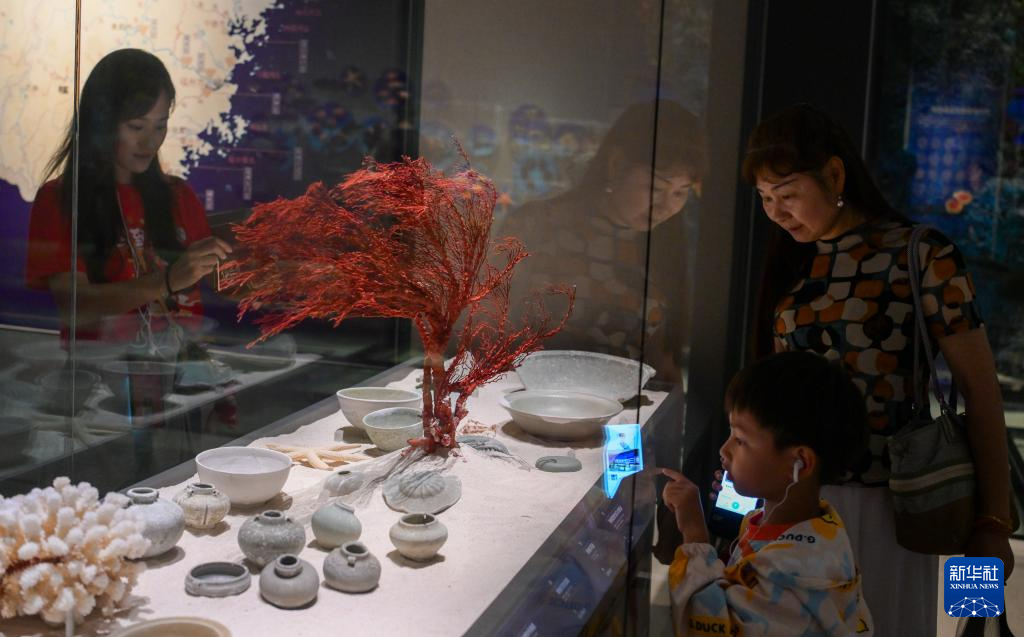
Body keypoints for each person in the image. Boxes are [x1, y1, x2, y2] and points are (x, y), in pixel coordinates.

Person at [740, 103, 1015, 635]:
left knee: (892, 622)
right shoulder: (794, 260)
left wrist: (992, 524)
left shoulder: (922, 253)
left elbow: (982, 394)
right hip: (792, 500)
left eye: (787, 193)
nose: (776, 212)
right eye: (765, 198)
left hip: (895, 506)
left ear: (835, 174)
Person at [25, 48, 231, 347]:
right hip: (102, 370)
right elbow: (77, 308)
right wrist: (168, 280)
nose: (150, 141)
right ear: (102, 123)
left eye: (160, 125)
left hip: (181, 368)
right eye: (136, 127)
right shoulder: (59, 199)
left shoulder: (179, 196)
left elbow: (229, 282)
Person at [661, 351, 873, 636]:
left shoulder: (793, 574)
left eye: (740, 440)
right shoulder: (820, 528)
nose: (724, 450)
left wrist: (694, 533)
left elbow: (708, 626)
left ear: (800, 463)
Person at [496, 99, 705, 382]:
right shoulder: (536, 224)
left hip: (622, 403)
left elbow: (663, 359)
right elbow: (484, 320)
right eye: (656, 187)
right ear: (616, 164)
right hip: (522, 392)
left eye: (681, 193)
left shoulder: (663, 249)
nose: (667, 206)